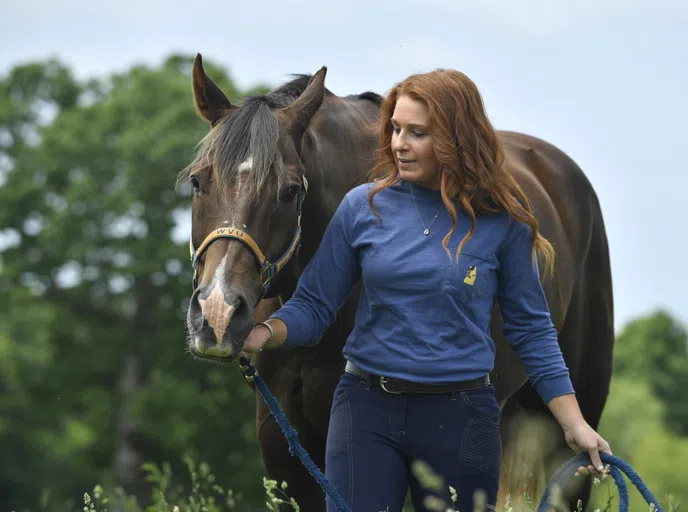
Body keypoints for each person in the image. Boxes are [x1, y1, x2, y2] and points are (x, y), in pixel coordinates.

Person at [242, 68, 611, 512]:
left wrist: (573, 423)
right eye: (395, 128)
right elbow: (315, 304)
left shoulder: (500, 222)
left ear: (456, 138)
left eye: (417, 133)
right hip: (365, 411)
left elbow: (532, 330)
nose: (399, 143)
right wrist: (260, 334)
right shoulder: (362, 207)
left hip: (461, 416)